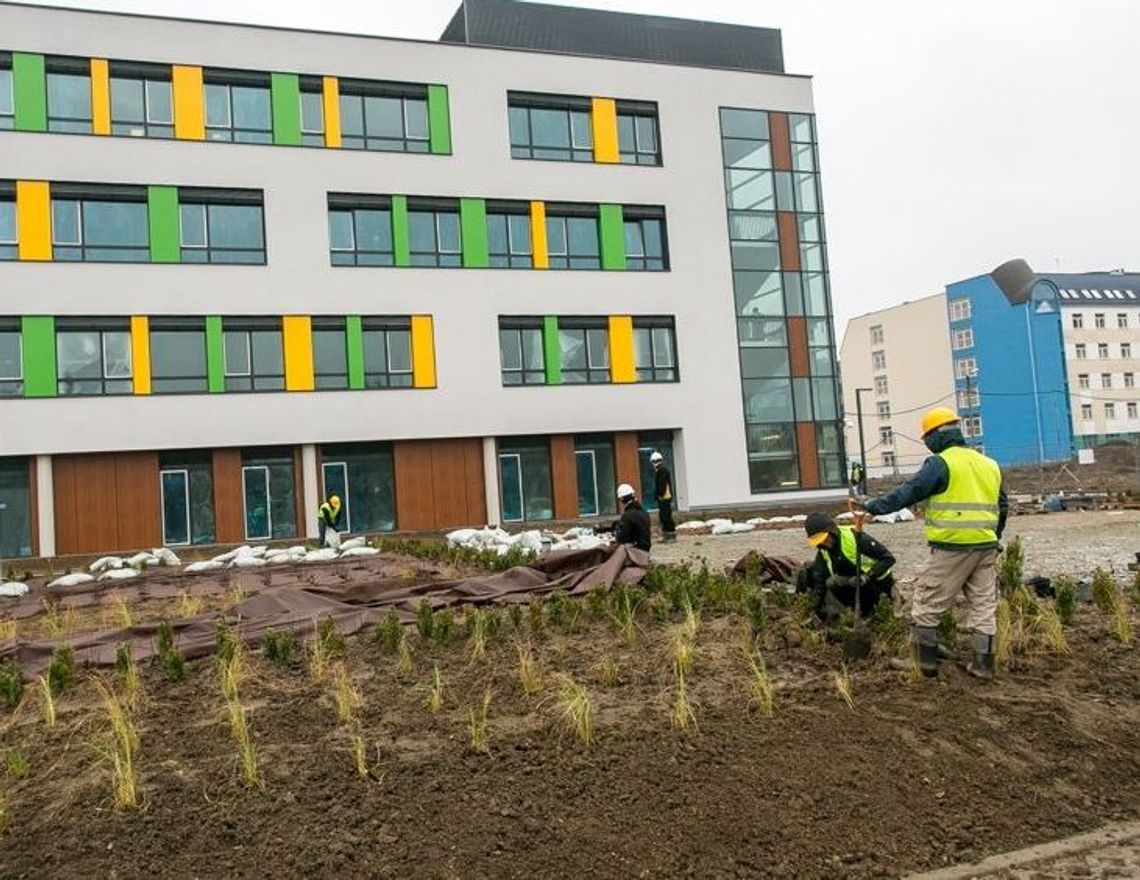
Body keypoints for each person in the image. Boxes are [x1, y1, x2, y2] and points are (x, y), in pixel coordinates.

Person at [859, 407, 1008, 679]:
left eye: (926, 438)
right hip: (985, 546)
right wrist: (994, 537)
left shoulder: (941, 463)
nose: (927, 444)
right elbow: (1003, 505)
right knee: (983, 606)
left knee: (927, 601)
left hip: (953, 547)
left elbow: (912, 491)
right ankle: (984, 665)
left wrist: (875, 506)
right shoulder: (989, 464)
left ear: (936, 435)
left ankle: (924, 662)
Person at [800, 511, 895, 620]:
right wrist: (813, 608)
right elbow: (819, 580)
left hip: (879, 584)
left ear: (832, 531)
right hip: (853, 584)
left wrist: (867, 576)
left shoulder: (855, 538)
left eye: (825, 539)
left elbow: (888, 558)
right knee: (827, 580)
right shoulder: (824, 551)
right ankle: (856, 613)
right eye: (819, 541)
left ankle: (872, 612)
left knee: (838, 582)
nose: (824, 543)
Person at [611, 483, 651, 552]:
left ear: (621, 499)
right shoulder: (644, 512)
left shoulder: (628, 515)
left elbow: (623, 538)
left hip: (636, 550)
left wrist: (616, 533)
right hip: (646, 547)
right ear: (632, 494)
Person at [650, 452, 677, 543]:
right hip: (665, 497)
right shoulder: (662, 470)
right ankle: (668, 535)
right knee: (665, 516)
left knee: (665, 516)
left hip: (664, 497)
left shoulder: (661, 470)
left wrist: (660, 495)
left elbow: (662, 484)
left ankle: (670, 536)